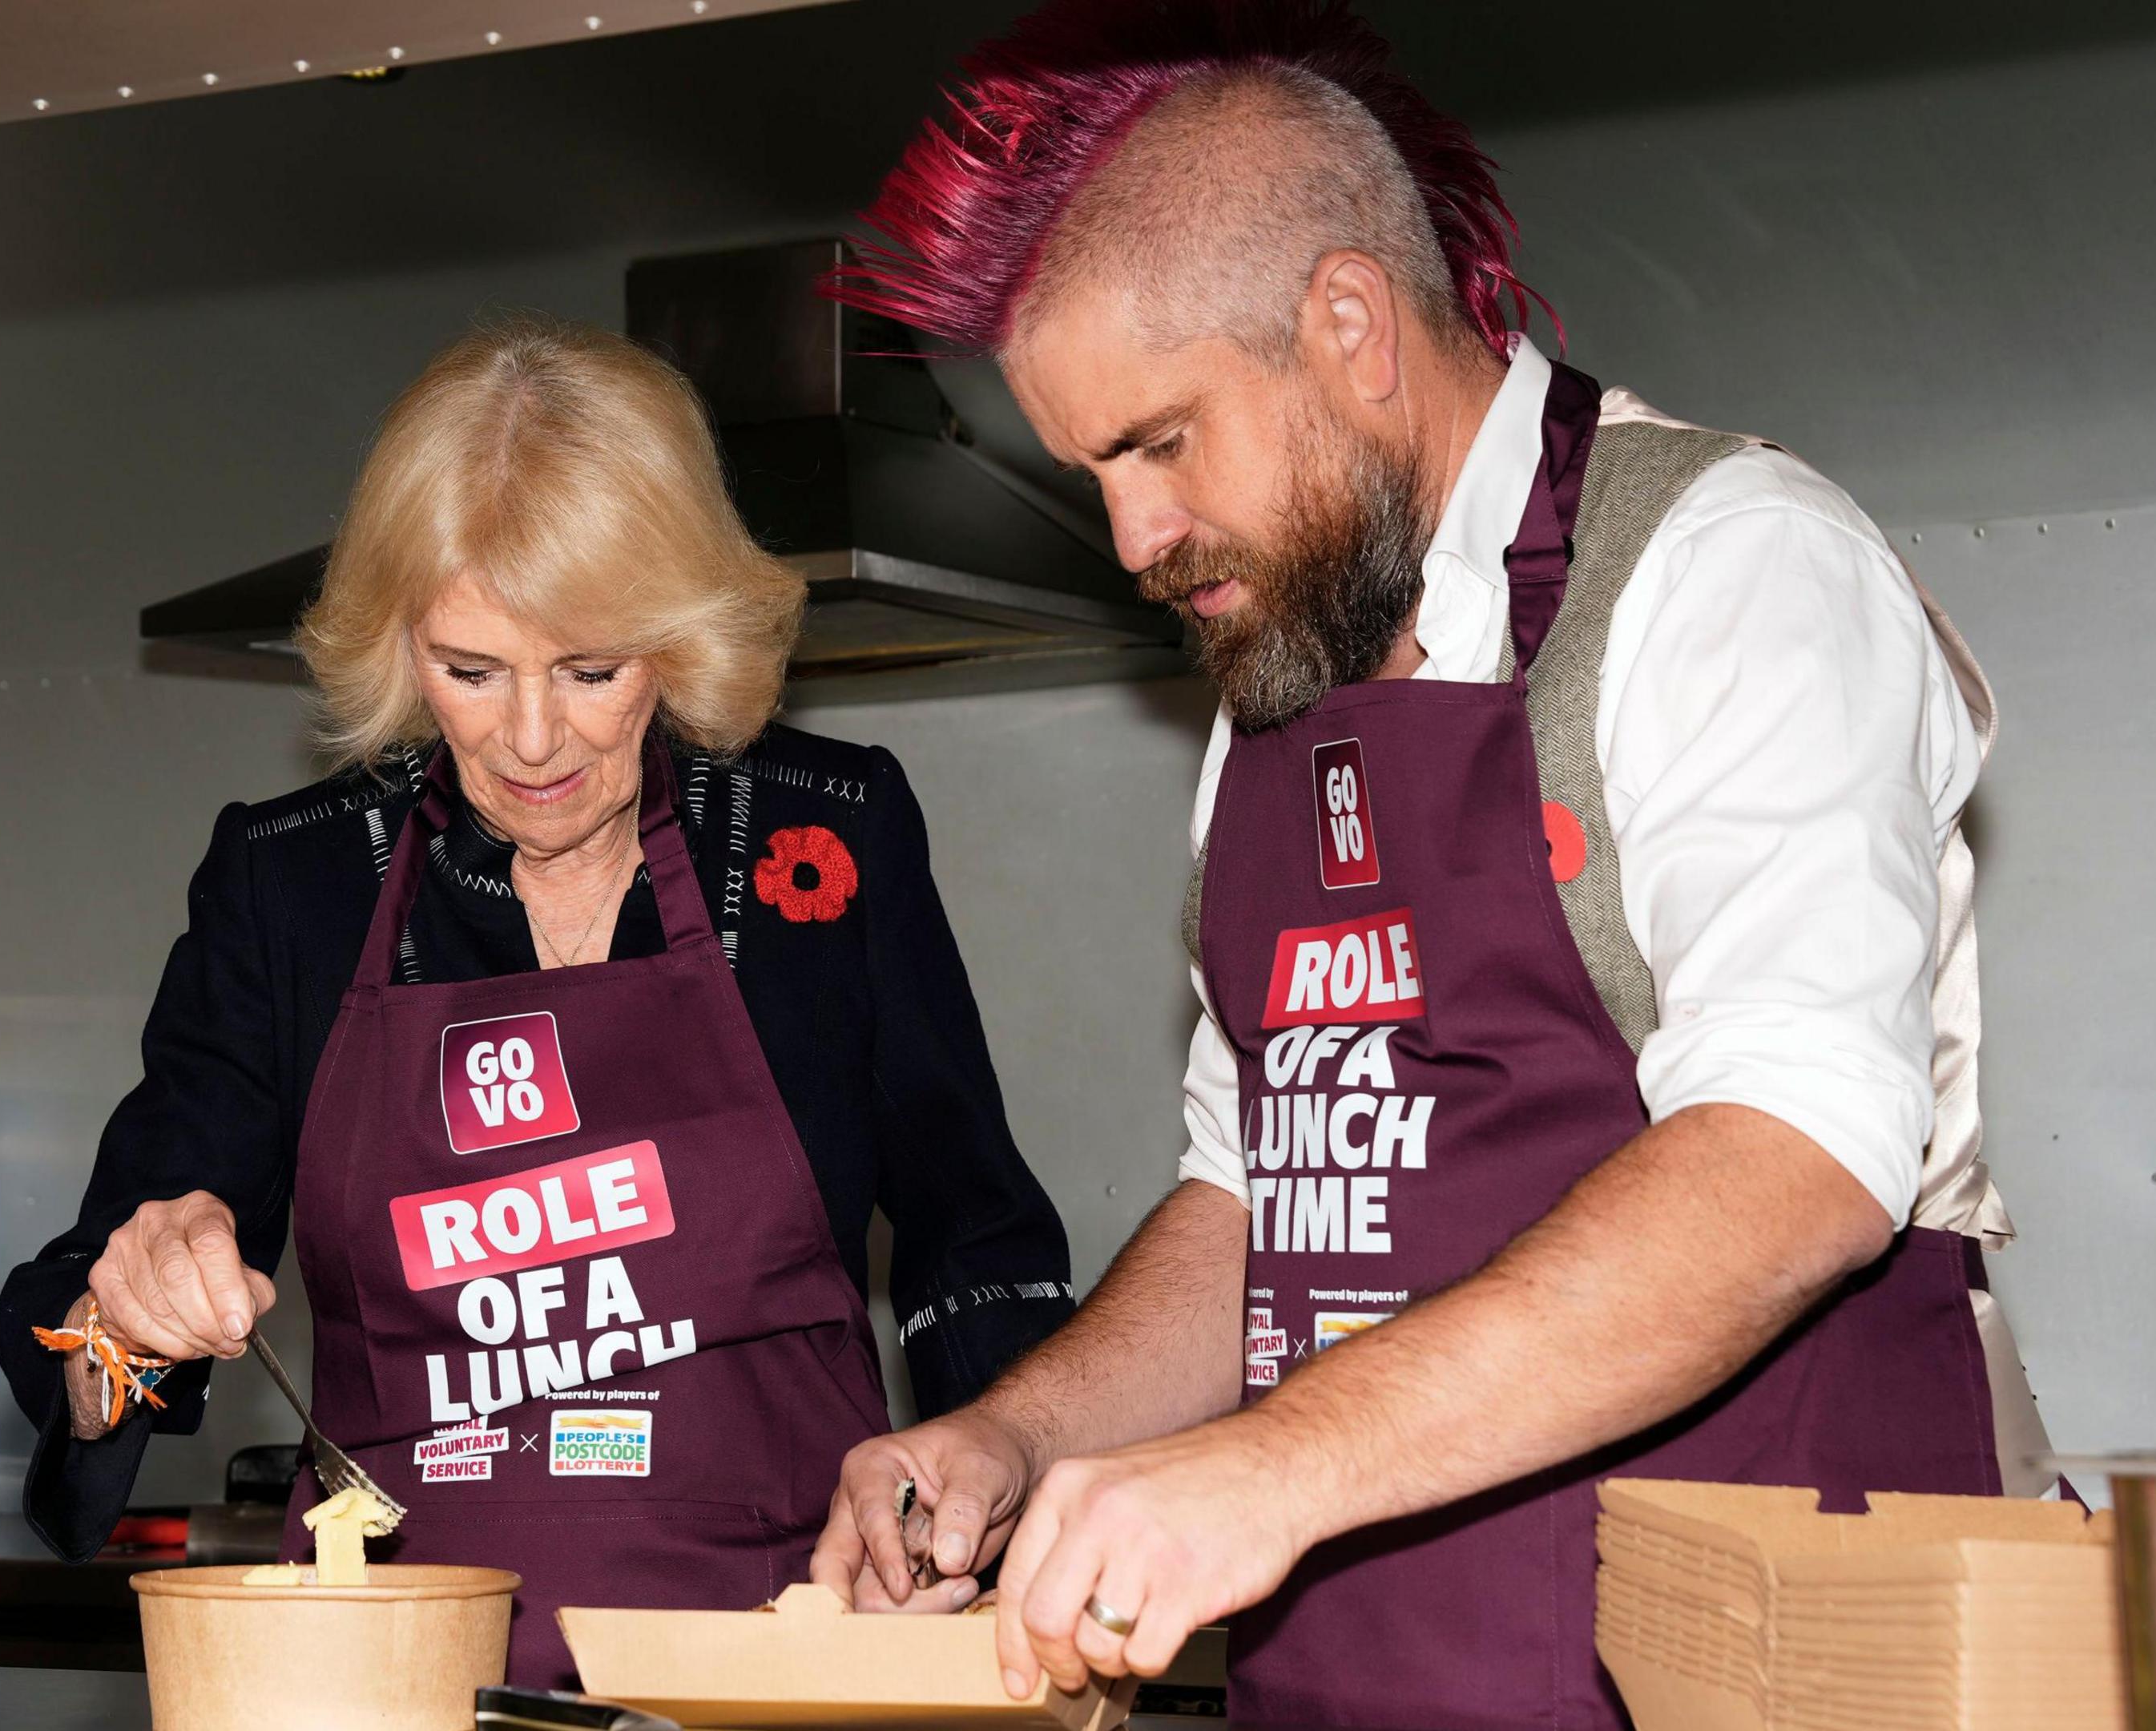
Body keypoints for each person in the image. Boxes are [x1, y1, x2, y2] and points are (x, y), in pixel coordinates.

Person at [808, 6, 2049, 1727]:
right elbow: (1264, 1192)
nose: (1133, 542)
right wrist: (1020, 1433)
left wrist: (1266, 1474)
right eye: (1093, 473)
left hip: (1763, 1670)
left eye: (1161, 444)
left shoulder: (1728, 567)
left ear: (1346, 322)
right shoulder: (1278, 691)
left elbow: (1802, 1153)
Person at [0, 317, 1076, 1685]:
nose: (531, 740)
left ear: (680, 639)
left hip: (787, 1679)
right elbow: (89, 1327)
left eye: (591, 668)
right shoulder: (299, 888)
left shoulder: (825, 840)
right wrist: (130, 1317)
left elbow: (972, 1241)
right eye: (471, 669)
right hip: (402, 1689)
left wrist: (978, 1505)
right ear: (400, 648)